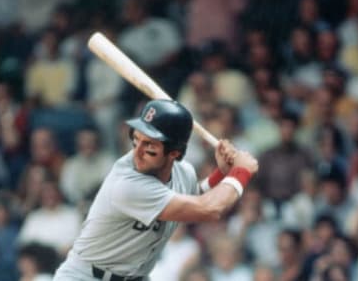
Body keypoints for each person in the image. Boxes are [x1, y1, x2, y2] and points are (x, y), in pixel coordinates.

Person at [53, 99, 258, 281]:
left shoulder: (184, 172)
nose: (138, 152)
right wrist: (241, 172)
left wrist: (221, 174)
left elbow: (194, 197)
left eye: (150, 145)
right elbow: (209, 209)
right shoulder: (128, 183)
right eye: (136, 140)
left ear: (174, 153)